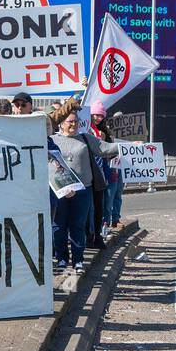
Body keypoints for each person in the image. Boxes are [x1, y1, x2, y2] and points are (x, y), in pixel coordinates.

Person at [50, 106, 118, 273]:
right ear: (61, 124)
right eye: (70, 122)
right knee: (58, 226)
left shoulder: (86, 138)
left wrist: (131, 146)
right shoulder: (51, 140)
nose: (74, 124)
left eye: (76, 121)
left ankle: (78, 260)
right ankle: (61, 259)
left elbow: (106, 149)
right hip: (60, 190)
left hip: (82, 190)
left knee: (78, 225)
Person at [89, 106, 124, 236]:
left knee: (111, 198)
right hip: (94, 170)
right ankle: (96, 229)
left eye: (101, 116)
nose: (98, 118)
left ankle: (106, 224)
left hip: (108, 168)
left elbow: (108, 149)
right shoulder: (87, 130)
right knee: (97, 204)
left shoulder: (106, 131)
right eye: (96, 115)